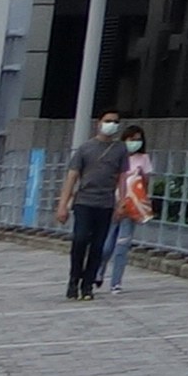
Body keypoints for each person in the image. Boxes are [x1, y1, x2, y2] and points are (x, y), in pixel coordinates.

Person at [61, 121, 130, 298]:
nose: (111, 125)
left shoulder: (120, 149)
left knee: (98, 246)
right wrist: (63, 205)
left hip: (105, 203)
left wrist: (122, 201)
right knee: (80, 239)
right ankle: (74, 279)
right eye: (108, 121)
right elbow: (72, 176)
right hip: (84, 201)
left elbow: (122, 177)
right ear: (99, 123)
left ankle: (87, 284)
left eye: (115, 121)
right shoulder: (85, 148)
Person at [103, 128, 154, 292]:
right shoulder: (116, 156)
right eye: (131, 139)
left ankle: (116, 282)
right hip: (113, 204)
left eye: (138, 139)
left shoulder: (143, 159)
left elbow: (145, 183)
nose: (135, 143)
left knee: (122, 246)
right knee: (106, 245)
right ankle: (98, 272)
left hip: (131, 207)